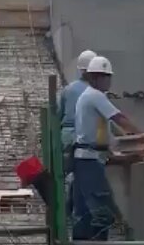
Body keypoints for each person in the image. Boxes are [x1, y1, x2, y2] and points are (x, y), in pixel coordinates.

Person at [73, 55, 141, 241]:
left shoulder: (89, 97)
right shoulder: (95, 96)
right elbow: (119, 119)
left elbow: (109, 133)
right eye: (105, 77)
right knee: (103, 214)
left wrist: (124, 147)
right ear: (94, 78)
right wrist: (143, 138)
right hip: (89, 161)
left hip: (88, 159)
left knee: (84, 214)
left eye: (108, 77)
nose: (108, 81)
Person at [59, 50, 96, 221]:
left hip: (66, 135)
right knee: (80, 174)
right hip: (83, 136)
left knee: (66, 173)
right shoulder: (95, 93)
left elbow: (58, 114)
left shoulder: (68, 89)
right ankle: (75, 214)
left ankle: (63, 212)